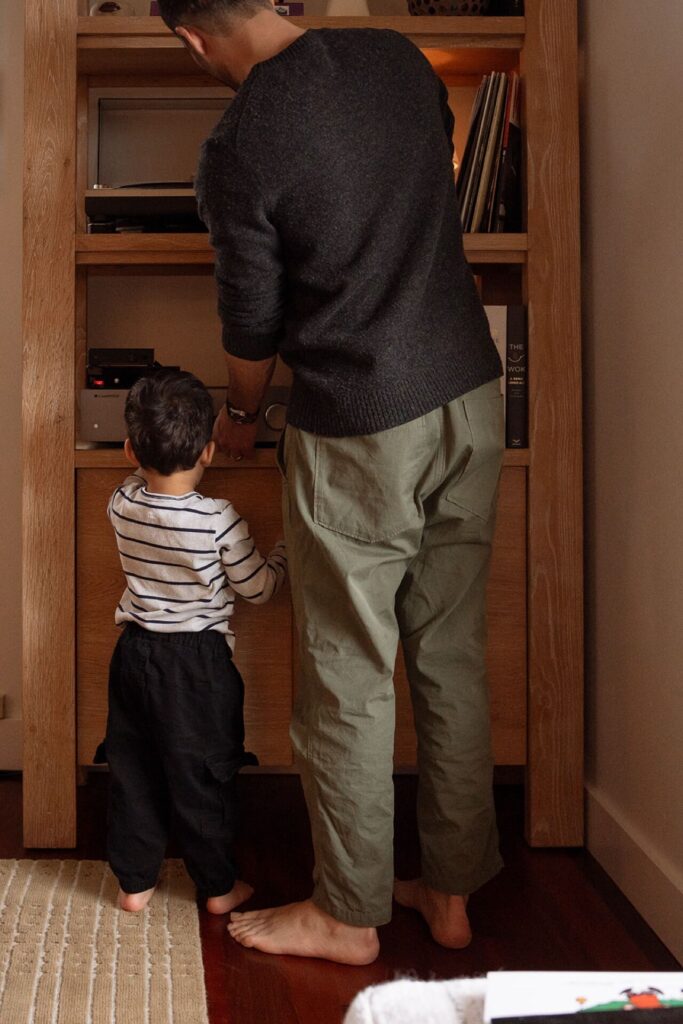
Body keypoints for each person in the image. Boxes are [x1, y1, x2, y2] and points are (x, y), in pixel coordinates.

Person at [157, 0, 504, 965]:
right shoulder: (398, 58)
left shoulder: (238, 143)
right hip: (471, 394)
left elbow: (252, 319)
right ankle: (449, 893)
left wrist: (237, 413)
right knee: (451, 656)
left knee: (348, 674)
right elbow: (412, 189)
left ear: (190, 35)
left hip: (361, 417)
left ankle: (349, 915)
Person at [99, 369, 287, 914]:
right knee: (203, 772)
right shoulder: (217, 519)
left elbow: (136, 479)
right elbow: (256, 589)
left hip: (133, 654)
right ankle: (218, 886)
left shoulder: (122, 503)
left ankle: (134, 883)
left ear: (131, 448)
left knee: (132, 770)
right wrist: (282, 555)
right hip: (198, 664)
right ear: (209, 450)